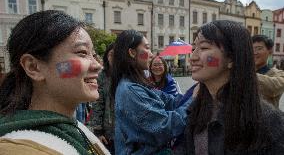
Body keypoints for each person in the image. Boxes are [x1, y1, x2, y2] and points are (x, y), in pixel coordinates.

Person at [0, 10, 110, 155]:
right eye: (82, 53)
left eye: (94, 55)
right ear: (33, 67)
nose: (97, 65)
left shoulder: (74, 129)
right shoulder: (17, 149)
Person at [176, 20, 284, 154]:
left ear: (231, 59)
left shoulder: (270, 123)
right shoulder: (195, 107)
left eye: (203, 48)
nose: (192, 57)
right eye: (193, 49)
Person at [111, 30, 192, 155]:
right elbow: (164, 128)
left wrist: (194, 93)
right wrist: (194, 99)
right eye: (147, 48)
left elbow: (170, 101)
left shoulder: (137, 84)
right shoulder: (130, 90)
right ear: (132, 53)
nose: (151, 54)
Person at [89, 43, 115, 154]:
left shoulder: (128, 76)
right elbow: (97, 104)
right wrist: (98, 131)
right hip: (108, 131)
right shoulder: (102, 76)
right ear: (107, 56)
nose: (114, 57)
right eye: (111, 54)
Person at [252, 35, 284, 108]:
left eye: (258, 48)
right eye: (251, 49)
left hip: (266, 118)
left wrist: (246, 73)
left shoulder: (279, 74)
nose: (254, 52)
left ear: (270, 52)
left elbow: (273, 89)